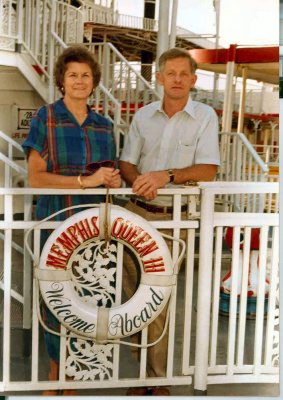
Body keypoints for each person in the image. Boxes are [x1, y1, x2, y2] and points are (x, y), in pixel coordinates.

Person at [119, 47, 220, 396]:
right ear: (158, 78)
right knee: (132, 293)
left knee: (157, 297)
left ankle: (155, 378)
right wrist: (137, 180)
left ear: (193, 80)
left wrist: (167, 176)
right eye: (170, 74)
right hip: (135, 212)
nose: (177, 80)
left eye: (183, 74)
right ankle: (145, 368)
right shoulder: (143, 116)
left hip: (172, 219)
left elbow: (209, 168)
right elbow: (127, 162)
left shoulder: (205, 116)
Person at [22, 45, 121, 396]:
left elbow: (109, 174)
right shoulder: (45, 118)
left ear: (94, 82)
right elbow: (36, 177)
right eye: (72, 75)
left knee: (87, 299)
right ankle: (55, 375)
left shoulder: (104, 125)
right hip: (53, 220)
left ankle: (75, 375)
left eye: (86, 75)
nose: (79, 81)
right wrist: (85, 181)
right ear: (62, 81)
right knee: (54, 300)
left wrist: (111, 179)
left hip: (93, 225)